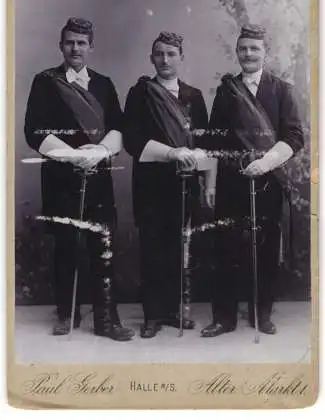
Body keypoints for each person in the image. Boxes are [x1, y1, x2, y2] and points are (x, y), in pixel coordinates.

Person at [24, 17, 134, 341]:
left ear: (91, 47)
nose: (75, 48)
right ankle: (66, 313)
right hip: (61, 176)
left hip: (98, 176)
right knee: (66, 246)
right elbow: (35, 131)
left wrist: (98, 152)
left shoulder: (103, 83)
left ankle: (106, 319)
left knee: (102, 246)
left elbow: (118, 127)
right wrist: (74, 156)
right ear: (61, 46)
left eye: (81, 43)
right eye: (70, 42)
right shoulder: (45, 82)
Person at [202, 24, 304, 337]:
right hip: (233, 180)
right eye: (243, 48)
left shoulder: (281, 89)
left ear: (265, 53)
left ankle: (262, 313)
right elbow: (214, 139)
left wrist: (266, 163)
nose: (248, 54)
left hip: (268, 179)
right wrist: (211, 183)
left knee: (266, 247)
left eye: (254, 49)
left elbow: (294, 135)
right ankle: (224, 317)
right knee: (226, 247)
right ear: (237, 52)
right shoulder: (226, 90)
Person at [123, 31, 211, 338]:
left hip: (184, 183)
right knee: (152, 248)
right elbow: (131, 140)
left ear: (181, 58)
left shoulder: (194, 96)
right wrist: (171, 153)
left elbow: (205, 140)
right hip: (151, 183)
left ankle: (175, 311)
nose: (165, 60)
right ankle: (152, 315)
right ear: (151, 58)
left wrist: (196, 162)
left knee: (179, 248)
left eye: (171, 54)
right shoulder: (141, 93)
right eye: (159, 54)